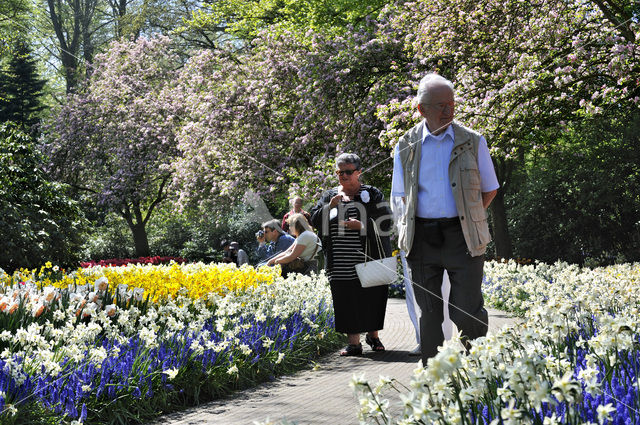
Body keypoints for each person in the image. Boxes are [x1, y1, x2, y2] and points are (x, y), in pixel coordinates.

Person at [392, 72, 499, 363]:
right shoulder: (406, 144)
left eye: (450, 103)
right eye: (440, 105)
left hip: (463, 237)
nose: (447, 110)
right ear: (421, 109)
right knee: (430, 311)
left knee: (466, 307)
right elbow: (402, 196)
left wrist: (467, 216)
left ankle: (478, 368)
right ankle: (433, 373)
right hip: (422, 238)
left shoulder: (473, 141)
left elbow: (489, 190)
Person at [310, 153, 393, 357]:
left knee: (372, 295)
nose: (343, 176)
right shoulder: (329, 195)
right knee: (345, 298)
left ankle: (373, 336)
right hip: (339, 259)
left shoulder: (372, 194)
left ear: (358, 172)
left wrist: (363, 226)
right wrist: (330, 207)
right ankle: (353, 344)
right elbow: (314, 220)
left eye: (348, 172)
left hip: (369, 255)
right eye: (340, 172)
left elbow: (387, 222)